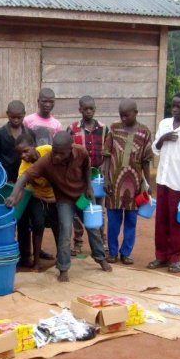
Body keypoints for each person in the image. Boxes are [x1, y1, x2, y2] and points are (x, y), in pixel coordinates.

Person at [6, 131, 112, 282]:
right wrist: (13, 195)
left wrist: (89, 187)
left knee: (93, 228)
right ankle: (63, 268)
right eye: (54, 152)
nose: (56, 156)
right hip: (64, 199)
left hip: (82, 196)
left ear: (70, 150)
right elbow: (24, 177)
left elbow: (87, 167)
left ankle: (100, 258)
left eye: (60, 154)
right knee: (65, 231)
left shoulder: (81, 152)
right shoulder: (47, 160)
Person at [147, 92, 180, 274]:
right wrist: (163, 138)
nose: (175, 109)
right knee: (161, 219)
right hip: (162, 179)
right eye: (173, 106)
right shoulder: (164, 124)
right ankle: (161, 255)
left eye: (179, 106)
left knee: (176, 222)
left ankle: (175, 257)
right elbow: (155, 149)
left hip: (178, 181)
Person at [102, 99, 153, 265]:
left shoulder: (144, 132)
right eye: (121, 115)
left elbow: (146, 160)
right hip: (114, 184)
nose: (123, 118)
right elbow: (107, 155)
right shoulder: (114, 129)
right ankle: (112, 252)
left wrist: (147, 183)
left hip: (135, 185)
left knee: (131, 220)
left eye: (126, 115)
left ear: (136, 113)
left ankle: (126, 253)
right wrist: (106, 178)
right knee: (113, 220)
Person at [15, 133, 59, 270]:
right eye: (20, 153)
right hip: (38, 196)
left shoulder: (48, 150)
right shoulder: (24, 167)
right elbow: (22, 186)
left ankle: (62, 256)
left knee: (57, 225)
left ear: (34, 146)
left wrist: (56, 198)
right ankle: (37, 261)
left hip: (56, 194)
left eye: (26, 151)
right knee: (37, 224)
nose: (23, 156)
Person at [70, 95, 107, 255]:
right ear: (80, 109)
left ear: (95, 109)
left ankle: (101, 241)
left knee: (99, 208)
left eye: (92, 108)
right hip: (79, 177)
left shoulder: (104, 129)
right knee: (80, 208)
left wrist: (105, 170)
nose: (89, 111)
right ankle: (78, 242)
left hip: (97, 176)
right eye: (86, 108)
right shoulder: (73, 129)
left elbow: (108, 152)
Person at [0, 100, 31, 183]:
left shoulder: (30, 134)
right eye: (13, 117)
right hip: (5, 178)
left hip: (25, 177)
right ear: (7, 114)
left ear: (24, 114)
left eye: (19, 117)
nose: (16, 120)